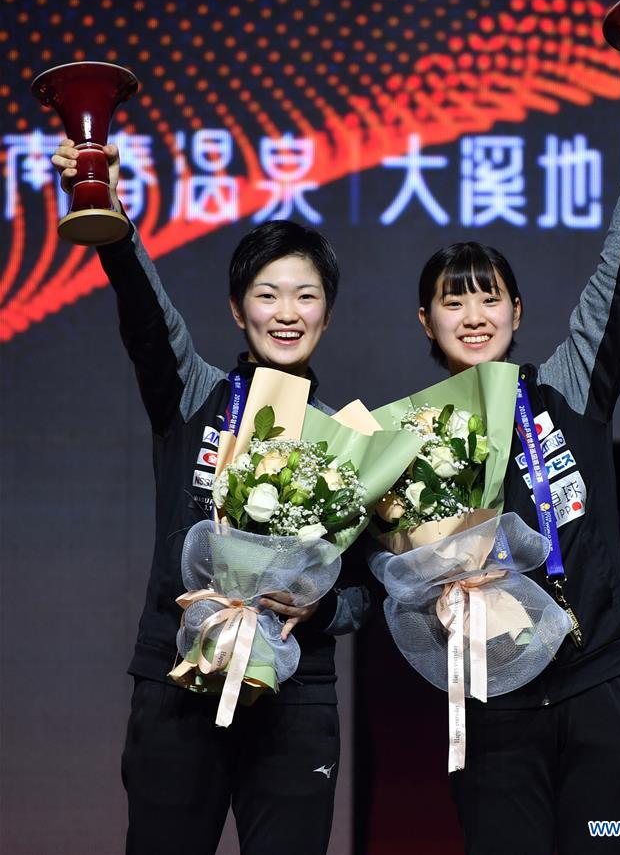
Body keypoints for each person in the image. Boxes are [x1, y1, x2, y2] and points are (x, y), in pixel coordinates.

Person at [51, 141, 369, 855]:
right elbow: (145, 317)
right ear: (237, 308)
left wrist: (323, 607)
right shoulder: (194, 396)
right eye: (267, 293)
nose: (286, 311)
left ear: (327, 313)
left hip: (297, 695)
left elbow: (367, 590)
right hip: (179, 679)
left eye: (306, 294)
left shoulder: (351, 441)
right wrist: (113, 217)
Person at [414, 62, 620, 853]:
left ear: (516, 310)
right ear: (426, 321)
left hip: (606, 682)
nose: (474, 313)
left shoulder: (566, 387)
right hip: (495, 705)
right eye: (453, 299)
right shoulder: (407, 438)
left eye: (489, 295)